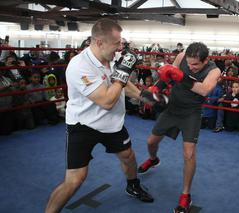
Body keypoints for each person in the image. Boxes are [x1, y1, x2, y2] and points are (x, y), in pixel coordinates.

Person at [44, 18, 161, 213]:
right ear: (99, 42)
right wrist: (123, 72)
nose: (120, 47)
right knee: (75, 179)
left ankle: (132, 185)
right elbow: (107, 101)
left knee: (128, 156)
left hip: (111, 124)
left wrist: (148, 97)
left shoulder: (112, 58)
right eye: (116, 44)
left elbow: (124, 85)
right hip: (83, 125)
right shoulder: (79, 66)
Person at [138, 42, 221, 213]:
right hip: (172, 107)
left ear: (205, 61)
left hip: (191, 113)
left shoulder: (214, 70)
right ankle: (153, 159)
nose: (191, 67)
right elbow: (167, 75)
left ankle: (185, 195)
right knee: (151, 141)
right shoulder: (182, 56)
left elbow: (204, 90)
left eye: (195, 64)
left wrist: (181, 76)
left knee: (189, 154)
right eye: (189, 64)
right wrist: (156, 89)